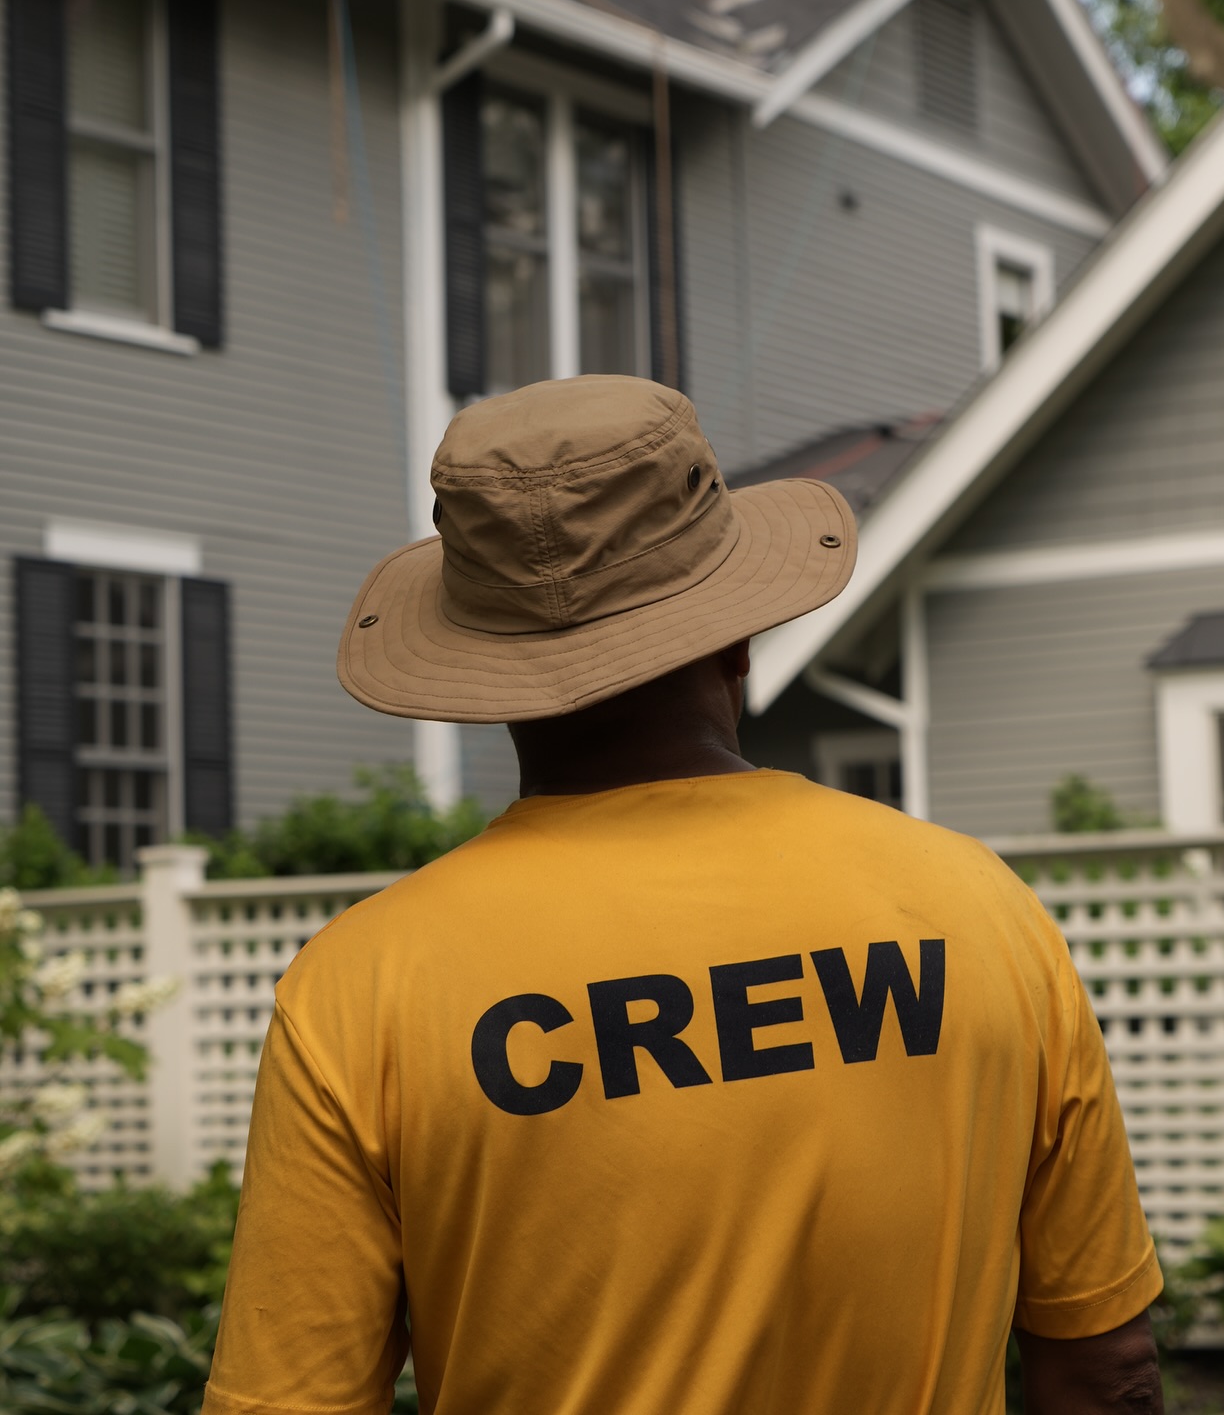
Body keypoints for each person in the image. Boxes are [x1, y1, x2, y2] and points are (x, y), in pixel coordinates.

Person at [202, 375, 1165, 1415]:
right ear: (738, 634)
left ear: (485, 674)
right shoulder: (974, 909)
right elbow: (1104, 1367)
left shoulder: (363, 988)